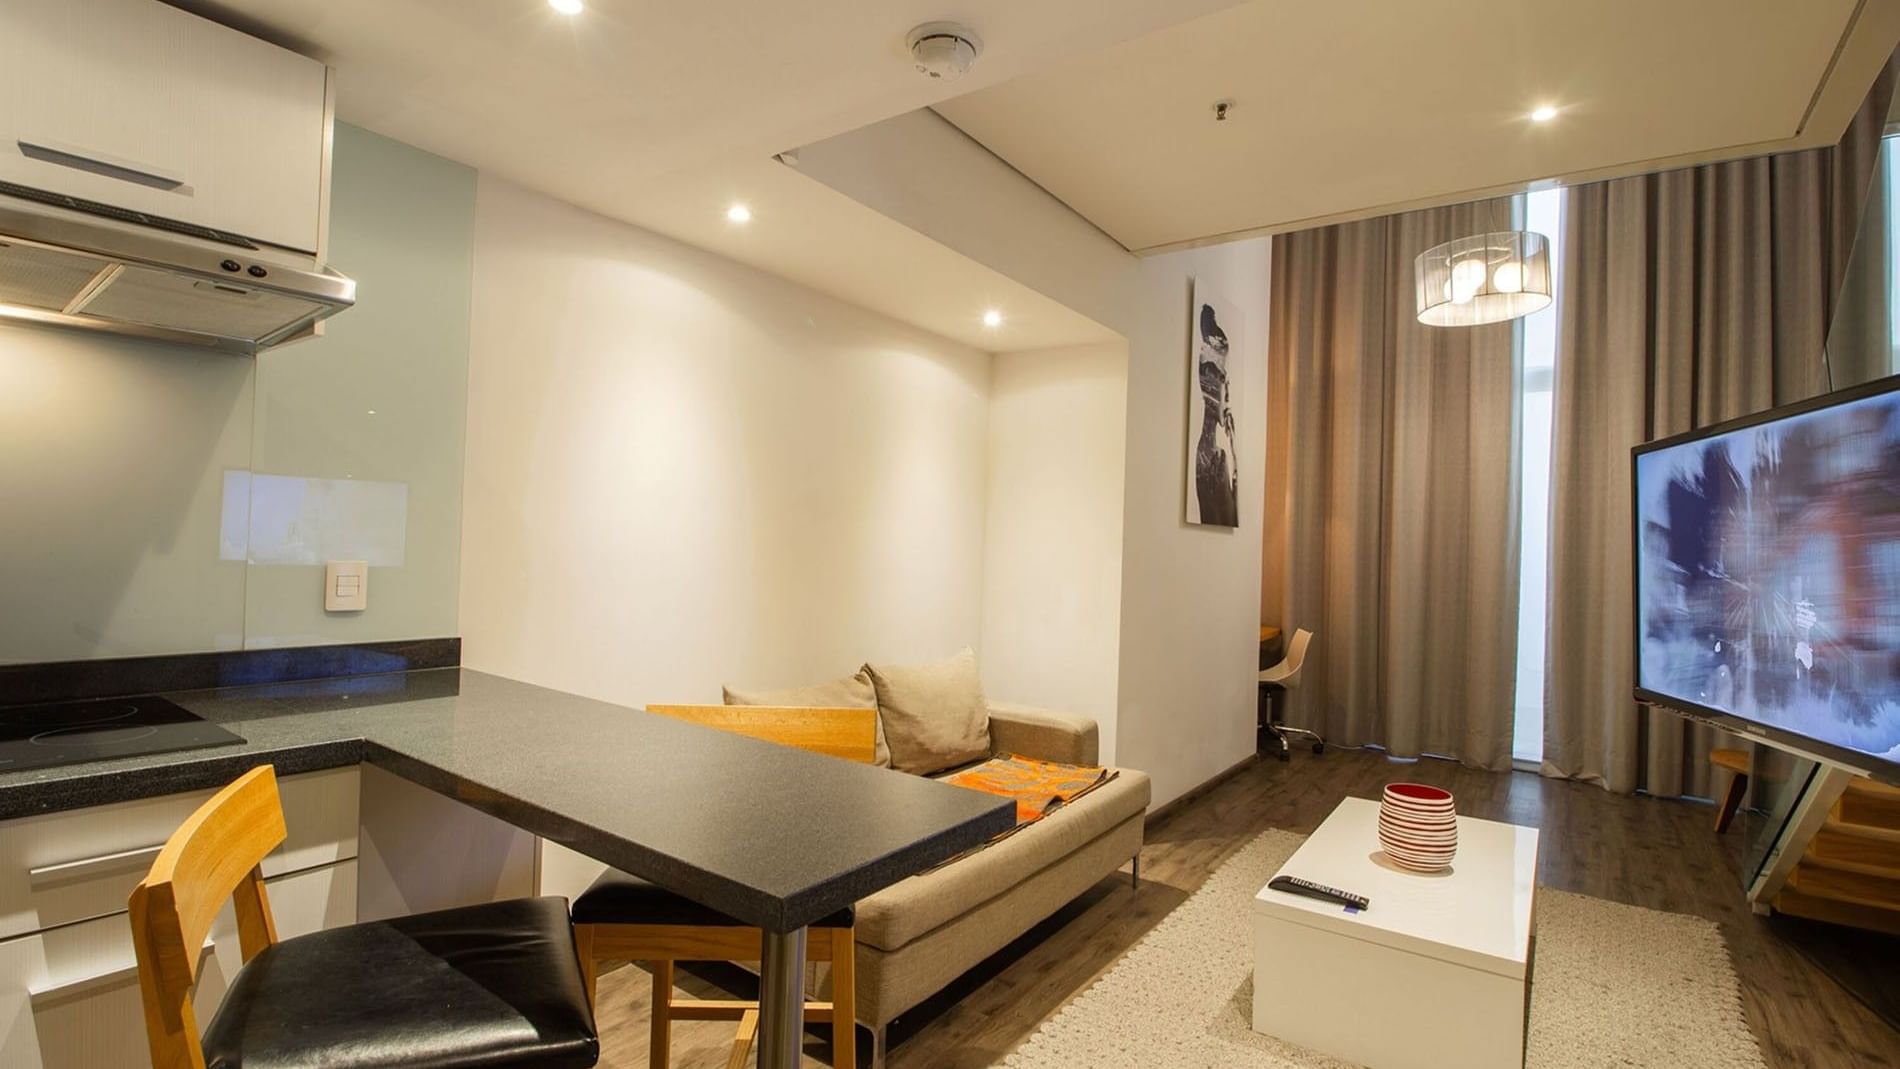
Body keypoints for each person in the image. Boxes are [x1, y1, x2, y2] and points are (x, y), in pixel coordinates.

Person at [1194, 302, 1239, 526]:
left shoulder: (1217, 452)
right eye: (1223, 381)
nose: (1228, 393)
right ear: (1208, 381)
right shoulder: (1211, 458)